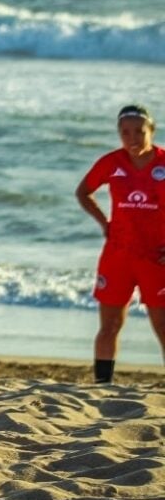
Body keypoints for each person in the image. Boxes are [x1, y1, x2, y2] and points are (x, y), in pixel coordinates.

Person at [76, 104, 165, 383]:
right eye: (125, 132)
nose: (132, 137)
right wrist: (105, 224)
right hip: (118, 256)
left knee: (162, 327)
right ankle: (102, 386)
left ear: (151, 131)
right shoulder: (111, 162)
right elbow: (84, 192)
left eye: (139, 131)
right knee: (109, 326)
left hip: (156, 259)